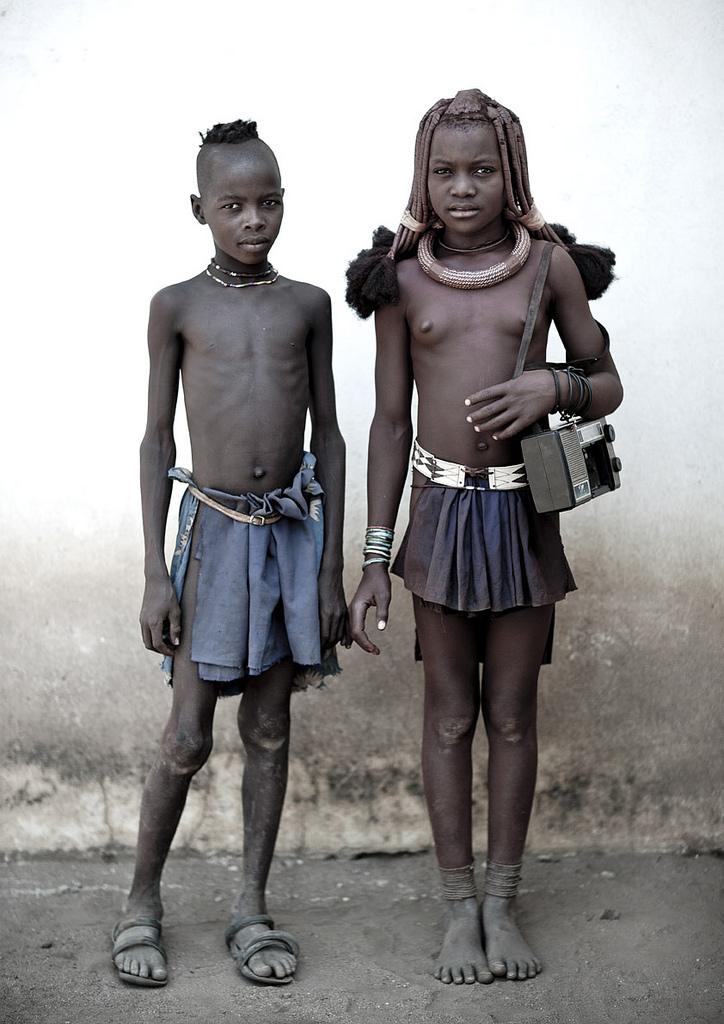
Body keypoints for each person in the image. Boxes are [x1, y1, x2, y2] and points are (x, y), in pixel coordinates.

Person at [345, 89, 623, 986]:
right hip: (440, 516)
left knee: (510, 714)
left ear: (514, 176)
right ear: (422, 179)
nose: (463, 188)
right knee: (449, 715)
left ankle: (503, 903)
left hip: (520, 513)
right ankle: (458, 907)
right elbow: (391, 424)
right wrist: (375, 557)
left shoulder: (548, 269)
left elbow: (605, 378)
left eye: (483, 170)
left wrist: (555, 388)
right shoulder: (402, 279)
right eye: (445, 172)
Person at [111, 119, 348, 987]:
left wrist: (330, 569)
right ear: (199, 209)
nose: (255, 219)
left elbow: (332, 439)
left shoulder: (309, 305)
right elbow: (152, 440)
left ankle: (251, 906)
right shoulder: (177, 306)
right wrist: (151, 573)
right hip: (211, 538)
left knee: (272, 727)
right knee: (185, 736)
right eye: (234, 205)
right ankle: (142, 901)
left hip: (289, 540)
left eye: (269, 201)